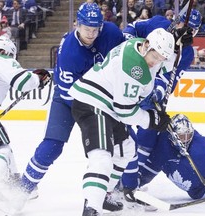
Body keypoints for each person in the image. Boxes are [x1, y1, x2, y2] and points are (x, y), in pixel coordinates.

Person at [16, 2, 126, 215]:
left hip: (100, 98)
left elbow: (125, 57)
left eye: (96, 29)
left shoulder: (110, 32)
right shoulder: (68, 52)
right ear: (77, 24)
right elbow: (72, 95)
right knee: (52, 146)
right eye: (87, 29)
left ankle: (106, 192)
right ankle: (23, 189)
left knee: (113, 147)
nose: (92, 34)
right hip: (69, 100)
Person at [68, 27, 175, 216]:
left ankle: (105, 195)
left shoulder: (140, 45)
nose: (157, 62)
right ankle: (91, 207)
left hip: (109, 106)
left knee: (125, 149)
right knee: (101, 156)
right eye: (156, 57)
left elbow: (164, 64)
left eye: (161, 58)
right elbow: (125, 112)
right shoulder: (133, 69)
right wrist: (151, 119)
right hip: (94, 104)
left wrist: (178, 45)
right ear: (147, 46)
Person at [0, 36, 50, 214]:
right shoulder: (2, 60)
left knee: (4, 148)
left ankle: (14, 182)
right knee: (2, 149)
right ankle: (1, 184)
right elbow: (23, 82)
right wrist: (38, 79)